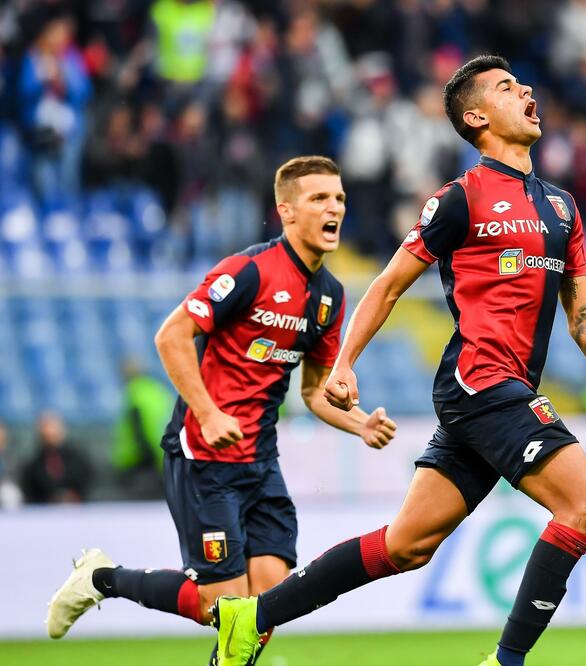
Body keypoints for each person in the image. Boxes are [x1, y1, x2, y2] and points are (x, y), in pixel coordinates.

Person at [211, 54, 586, 666]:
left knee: (407, 546)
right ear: (477, 116)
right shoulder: (461, 198)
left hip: (493, 395)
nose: (527, 90)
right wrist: (344, 362)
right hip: (481, 383)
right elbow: (388, 285)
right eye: (508, 88)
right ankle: (505, 662)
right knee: (584, 506)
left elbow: (584, 318)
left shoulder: (562, 208)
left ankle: (253, 616)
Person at [46, 156, 398, 666]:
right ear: (287, 211)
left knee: (271, 604)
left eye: (339, 198)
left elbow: (315, 391)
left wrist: (359, 422)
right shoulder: (250, 271)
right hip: (204, 456)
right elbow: (170, 337)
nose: (334, 208)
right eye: (320, 198)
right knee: (222, 606)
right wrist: (208, 412)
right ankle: (99, 578)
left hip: (260, 460)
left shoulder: (329, 296)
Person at [112, 359, 174, 500]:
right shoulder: (159, 391)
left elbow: (139, 430)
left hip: (139, 461)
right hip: (163, 457)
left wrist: (149, 456)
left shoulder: (134, 393)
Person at [20, 411, 93, 504]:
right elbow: (32, 491)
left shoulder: (79, 458)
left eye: (54, 430)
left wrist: (71, 496)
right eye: (46, 434)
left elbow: (86, 481)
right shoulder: (33, 464)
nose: (50, 434)